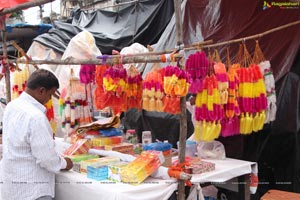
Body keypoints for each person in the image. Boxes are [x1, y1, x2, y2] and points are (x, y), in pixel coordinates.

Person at [1, 69, 73, 200]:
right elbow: (47, 160)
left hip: (12, 185)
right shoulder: (36, 117)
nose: (49, 99)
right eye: (50, 95)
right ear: (41, 91)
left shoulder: (12, 106)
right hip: (32, 190)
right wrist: (65, 163)